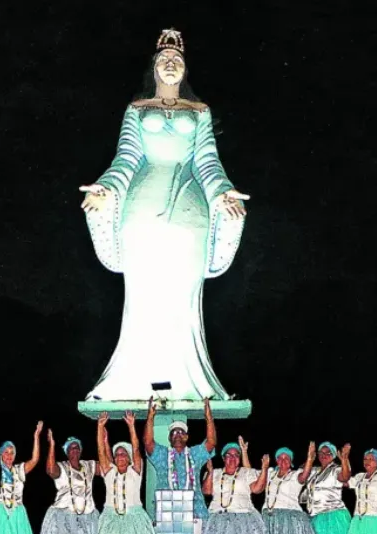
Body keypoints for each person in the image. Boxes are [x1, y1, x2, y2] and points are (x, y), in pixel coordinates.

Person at [78, 28, 250, 402]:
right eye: (163, 59)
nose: (170, 64)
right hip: (141, 204)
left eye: (177, 60)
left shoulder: (199, 111)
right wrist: (106, 189)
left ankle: (189, 381)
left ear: (185, 70)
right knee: (144, 293)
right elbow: (126, 157)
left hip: (190, 209)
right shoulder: (137, 109)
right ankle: (133, 379)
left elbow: (207, 162)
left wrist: (222, 193)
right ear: (153, 68)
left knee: (182, 293)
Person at [144, 396, 216, 534]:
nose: (177, 435)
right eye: (174, 432)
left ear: (187, 437)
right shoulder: (162, 455)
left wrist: (208, 417)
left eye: (181, 432)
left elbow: (210, 442)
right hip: (168, 509)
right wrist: (150, 417)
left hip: (194, 510)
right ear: (169, 438)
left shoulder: (195, 453)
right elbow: (148, 443)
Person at [96, 411, 157, 534]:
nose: (120, 456)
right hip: (111, 516)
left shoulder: (135, 471)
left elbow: (138, 450)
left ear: (129, 458)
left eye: (124, 454)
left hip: (133, 515)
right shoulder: (109, 472)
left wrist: (131, 426)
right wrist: (99, 427)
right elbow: (100, 451)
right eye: (117, 454)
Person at [36, 429, 101, 534]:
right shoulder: (62, 468)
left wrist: (102, 436)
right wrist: (51, 445)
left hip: (87, 515)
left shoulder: (88, 466)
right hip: (64, 516)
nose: (75, 451)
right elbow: (50, 470)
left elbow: (108, 467)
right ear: (66, 451)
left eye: (77, 448)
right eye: (71, 448)